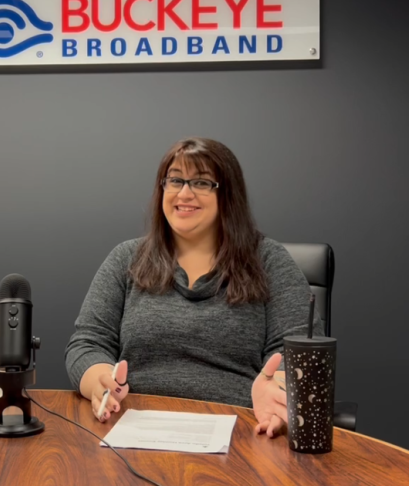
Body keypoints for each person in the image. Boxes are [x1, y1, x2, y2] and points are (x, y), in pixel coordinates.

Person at [64, 137, 322, 438]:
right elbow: (86, 344)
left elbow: (298, 352)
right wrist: (100, 381)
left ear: (227, 194)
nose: (184, 193)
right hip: (134, 430)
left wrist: (277, 390)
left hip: (240, 432)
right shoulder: (127, 258)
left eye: (201, 183)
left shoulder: (269, 260)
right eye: (175, 180)